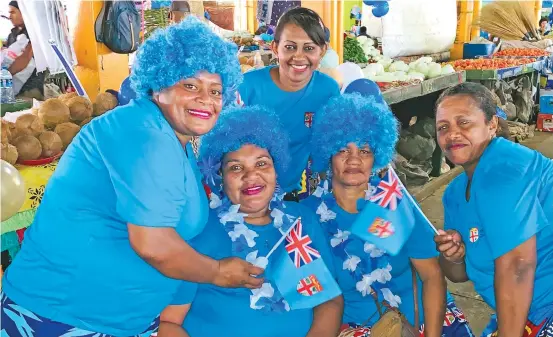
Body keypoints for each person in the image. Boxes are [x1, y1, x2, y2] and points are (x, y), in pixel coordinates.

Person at [1, 16, 262, 337]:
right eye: (190, 85)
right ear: (159, 84)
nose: (206, 99)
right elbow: (154, 245)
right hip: (63, 316)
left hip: (123, 319)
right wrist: (218, 272)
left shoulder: (175, 142)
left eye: (216, 91)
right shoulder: (143, 133)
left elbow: (178, 235)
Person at [158, 105, 343, 337]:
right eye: (236, 167)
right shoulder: (199, 230)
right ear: (219, 177)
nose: (251, 175)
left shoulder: (300, 221)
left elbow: (329, 300)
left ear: (276, 169)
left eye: (262, 163)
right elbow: (168, 324)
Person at [303, 92, 474, 337]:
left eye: (364, 151)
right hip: (356, 329)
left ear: (377, 157)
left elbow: (433, 277)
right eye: (343, 150)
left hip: (420, 322)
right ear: (327, 153)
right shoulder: (308, 215)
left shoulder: (393, 203)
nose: (354, 160)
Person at [434, 82, 553, 337]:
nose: (452, 134)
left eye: (464, 122)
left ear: (491, 125)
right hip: (523, 312)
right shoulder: (454, 193)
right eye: (443, 127)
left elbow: (517, 267)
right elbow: (459, 274)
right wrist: (454, 256)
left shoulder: (504, 166)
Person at [237, 7, 340, 198]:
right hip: (246, 195)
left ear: (322, 51)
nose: (299, 57)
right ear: (276, 47)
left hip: (291, 193)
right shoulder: (247, 87)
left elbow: (330, 144)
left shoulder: (327, 90)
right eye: (290, 47)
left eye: (309, 48)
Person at [5, 0, 45, 99]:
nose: (9, 17)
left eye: (13, 12)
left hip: (30, 91)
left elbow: (24, 59)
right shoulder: (11, 35)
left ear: (24, 12)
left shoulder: (35, 34)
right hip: (11, 90)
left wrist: (4, 74)